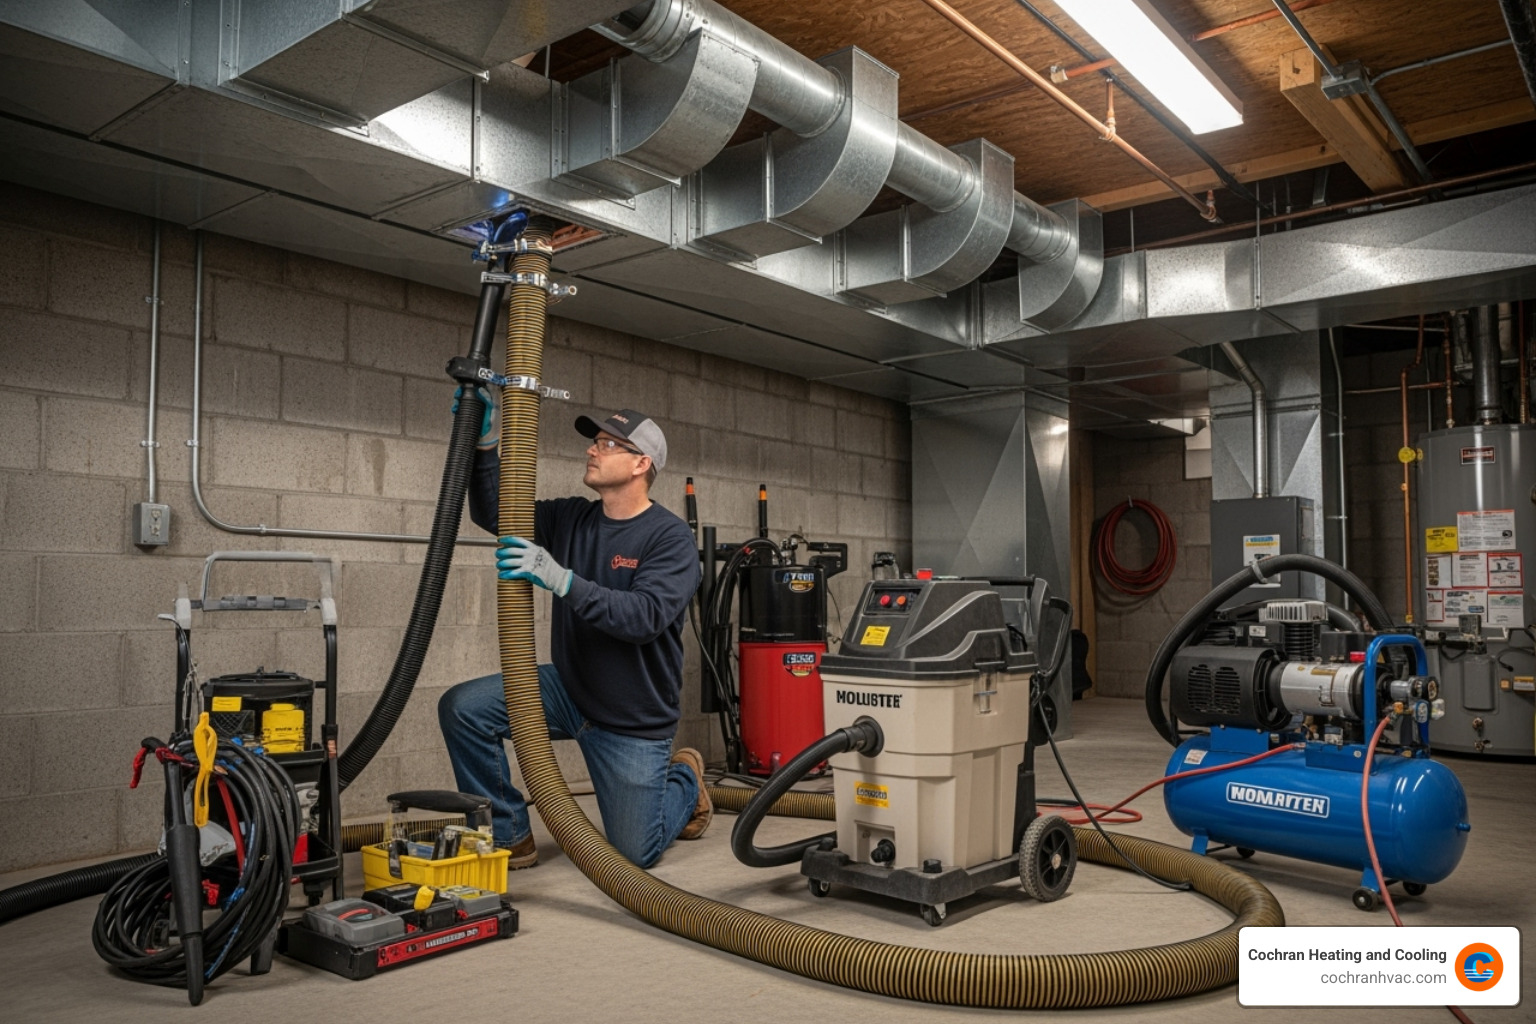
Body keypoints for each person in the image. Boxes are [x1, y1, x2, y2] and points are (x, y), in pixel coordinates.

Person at [437, 397, 708, 869]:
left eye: (608, 444)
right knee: (464, 709)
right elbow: (497, 513)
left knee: (633, 854)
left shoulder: (670, 538)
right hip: (570, 689)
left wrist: (563, 580)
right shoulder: (573, 518)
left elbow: (644, 617)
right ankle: (509, 833)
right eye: (595, 441)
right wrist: (485, 445)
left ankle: (684, 778)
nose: (592, 450)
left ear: (641, 464)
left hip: (631, 719)